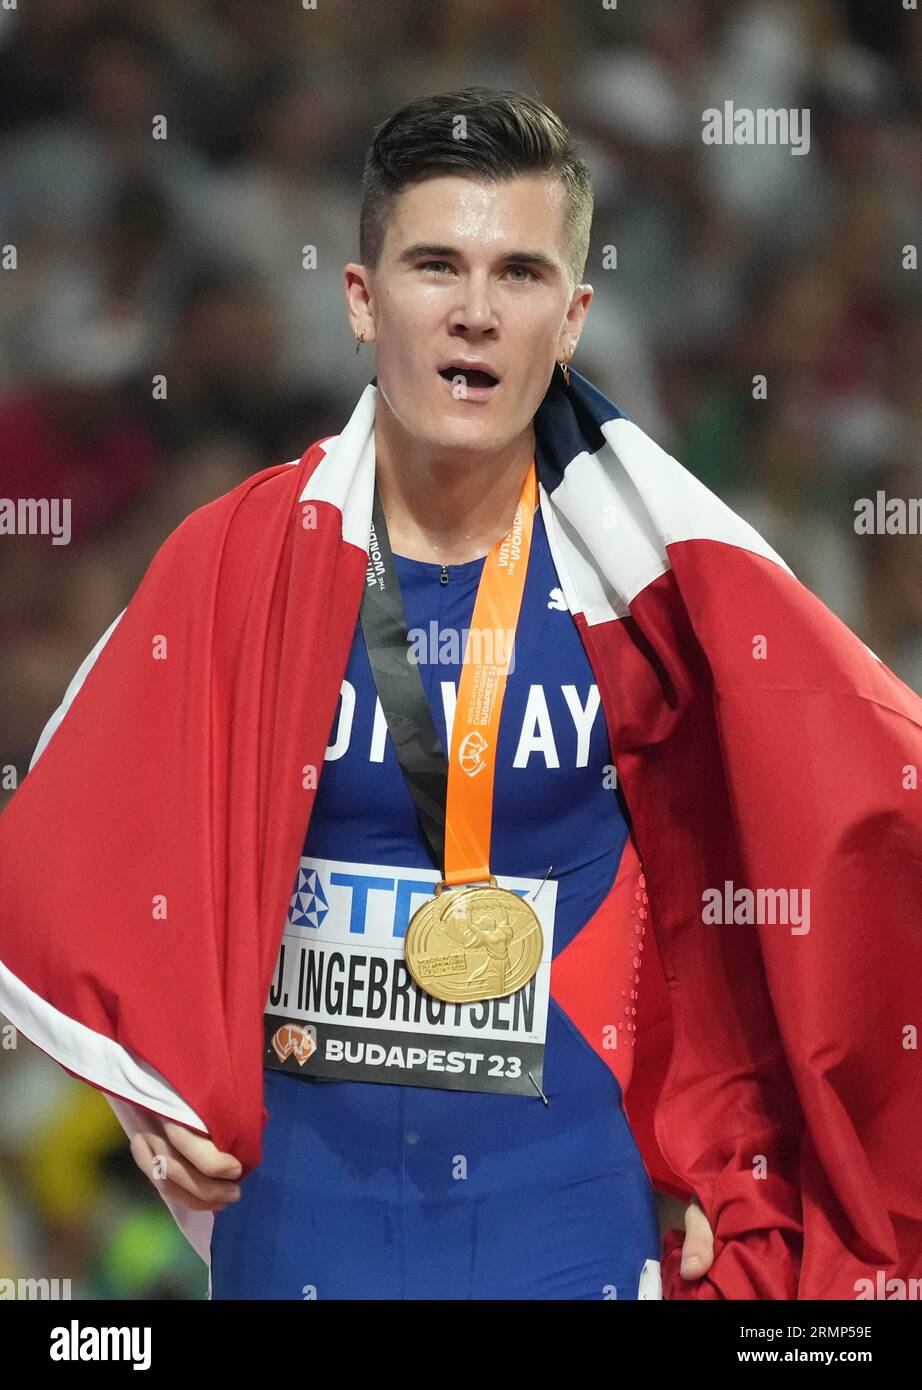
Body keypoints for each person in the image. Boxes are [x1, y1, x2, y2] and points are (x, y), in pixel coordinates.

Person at [3, 87, 920, 1301]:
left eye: (521, 274)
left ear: (575, 314)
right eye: (436, 265)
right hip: (297, 1223)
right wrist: (142, 1092)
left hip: (570, 1218)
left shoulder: (655, 598)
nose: (477, 313)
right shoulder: (238, 569)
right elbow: (83, 853)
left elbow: (796, 862)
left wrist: (732, 1146)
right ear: (361, 299)